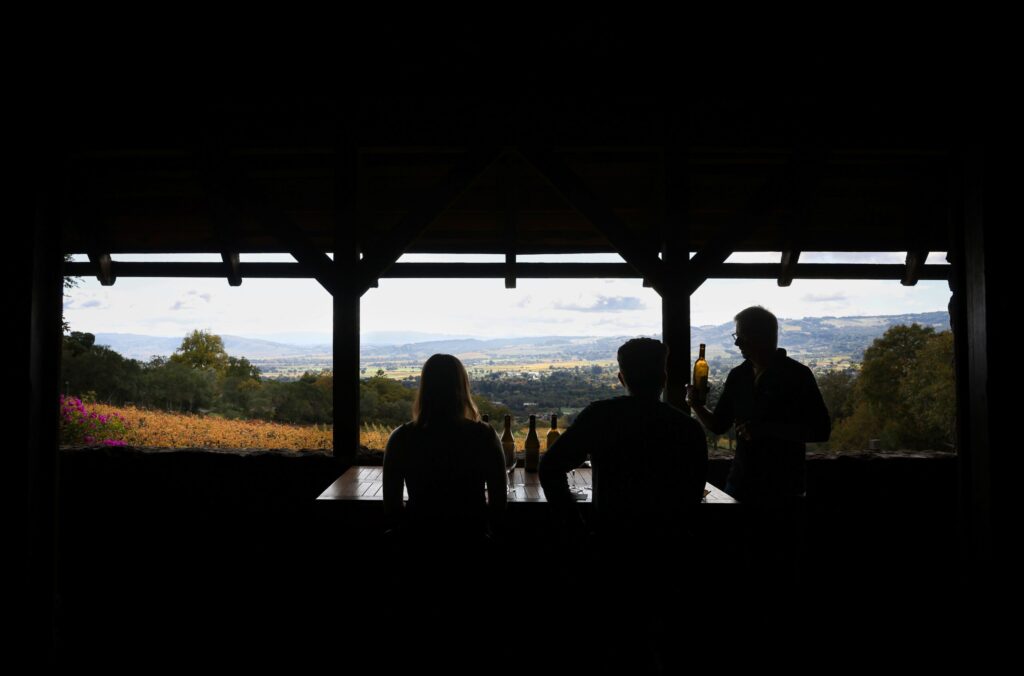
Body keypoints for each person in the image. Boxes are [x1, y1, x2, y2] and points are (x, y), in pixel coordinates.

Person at [538, 337, 709, 671]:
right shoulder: (687, 429)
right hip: (668, 552)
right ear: (663, 377)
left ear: (622, 378)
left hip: (609, 546)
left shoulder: (602, 416)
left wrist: (575, 527)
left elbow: (550, 468)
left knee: (611, 638)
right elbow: (692, 495)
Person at [687, 306, 831, 506]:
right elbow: (719, 425)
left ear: (762, 336)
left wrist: (767, 429)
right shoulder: (738, 375)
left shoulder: (797, 375)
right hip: (740, 483)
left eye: (742, 336)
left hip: (783, 489)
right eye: (735, 336)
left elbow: (821, 431)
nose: (737, 343)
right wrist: (696, 404)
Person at [382, 353, 508, 547]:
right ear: (462, 388)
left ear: (424, 388)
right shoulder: (484, 436)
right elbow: (498, 503)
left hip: (417, 539)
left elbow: (392, 507)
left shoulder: (401, 438)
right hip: (471, 538)